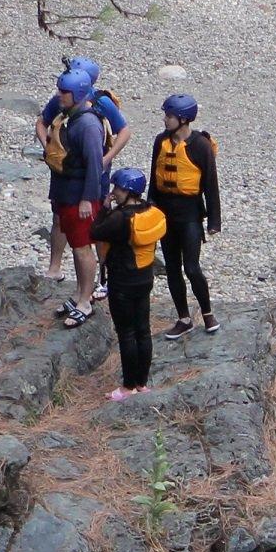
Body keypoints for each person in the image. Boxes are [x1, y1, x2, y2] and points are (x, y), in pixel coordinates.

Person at [89, 165, 166, 401]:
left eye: (118, 189)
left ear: (129, 191)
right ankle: (142, 383)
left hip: (123, 281)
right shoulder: (152, 212)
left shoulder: (120, 218)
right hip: (144, 278)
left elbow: (95, 232)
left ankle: (128, 386)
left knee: (126, 333)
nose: (114, 192)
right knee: (144, 330)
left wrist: (104, 209)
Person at [147, 93, 221, 338]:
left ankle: (208, 313)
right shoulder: (161, 141)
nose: (165, 120)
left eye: (169, 116)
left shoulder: (201, 146)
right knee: (172, 268)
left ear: (183, 119)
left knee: (191, 267)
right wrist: (150, 205)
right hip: (165, 213)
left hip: (189, 214)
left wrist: (213, 220)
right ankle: (184, 318)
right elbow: (155, 177)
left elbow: (211, 183)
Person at [44, 68, 109, 325]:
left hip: (79, 197)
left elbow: (95, 164)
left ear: (78, 94)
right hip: (66, 194)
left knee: (83, 249)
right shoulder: (71, 117)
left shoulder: (88, 125)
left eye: (64, 92)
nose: (60, 95)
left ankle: (86, 301)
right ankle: (81, 294)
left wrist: (87, 199)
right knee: (75, 246)